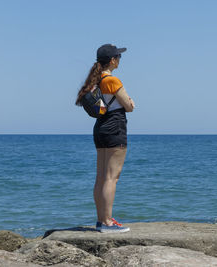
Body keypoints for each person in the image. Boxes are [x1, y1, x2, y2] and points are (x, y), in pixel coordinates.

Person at [75, 44, 135, 232]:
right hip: (115, 127)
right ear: (112, 60)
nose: (119, 60)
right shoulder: (112, 80)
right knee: (111, 178)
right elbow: (129, 106)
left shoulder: (96, 79)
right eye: (118, 57)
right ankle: (108, 222)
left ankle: (101, 220)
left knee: (101, 177)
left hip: (100, 128)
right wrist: (131, 101)